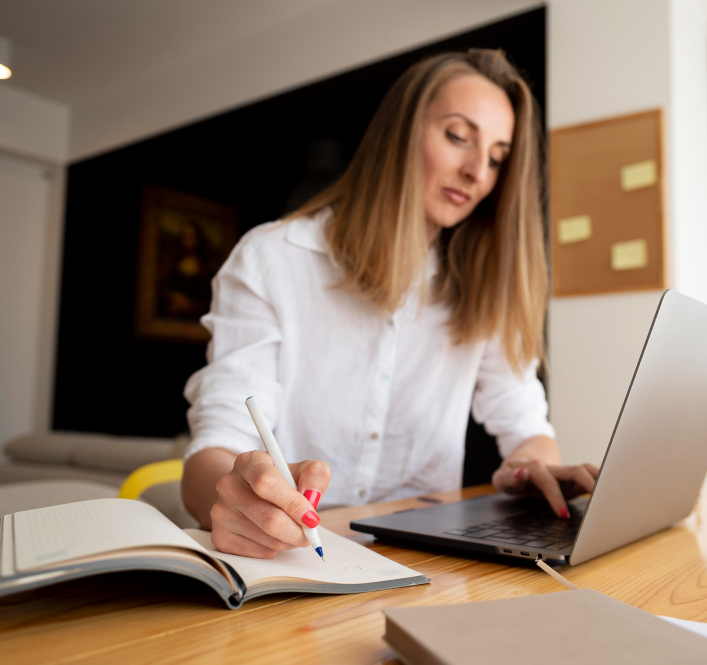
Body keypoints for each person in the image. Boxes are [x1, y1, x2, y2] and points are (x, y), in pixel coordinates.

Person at [181, 49, 599, 559]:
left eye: (496, 158)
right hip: (293, 560)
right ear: (400, 134)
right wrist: (233, 501)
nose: (476, 173)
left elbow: (527, 426)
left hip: (425, 560)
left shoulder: (481, 282)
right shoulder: (272, 258)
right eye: (458, 136)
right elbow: (215, 448)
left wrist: (532, 465)